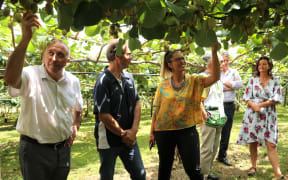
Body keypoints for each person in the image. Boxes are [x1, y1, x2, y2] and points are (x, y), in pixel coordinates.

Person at [4, 12, 83, 180]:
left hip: (62, 151)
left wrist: (75, 126)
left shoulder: (73, 81)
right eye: (50, 53)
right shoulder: (29, 74)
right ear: (43, 55)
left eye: (60, 55)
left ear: (68, 61)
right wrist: (25, 39)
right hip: (34, 152)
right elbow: (10, 78)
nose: (54, 59)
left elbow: (78, 109)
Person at [149, 43, 220, 180]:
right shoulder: (162, 85)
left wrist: (214, 52)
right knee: (164, 168)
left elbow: (215, 77)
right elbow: (157, 110)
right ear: (170, 64)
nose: (183, 61)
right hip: (163, 131)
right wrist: (152, 132)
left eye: (183, 58)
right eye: (178, 59)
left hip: (187, 130)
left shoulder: (194, 80)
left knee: (193, 169)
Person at [93, 39, 146, 180]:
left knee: (139, 174)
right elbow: (103, 115)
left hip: (129, 138)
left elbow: (137, 103)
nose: (131, 57)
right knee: (107, 175)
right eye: (129, 53)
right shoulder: (103, 81)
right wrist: (123, 134)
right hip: (109, 139)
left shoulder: (129, 78)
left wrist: (133, 131)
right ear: (117, 55)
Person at [236, 56, 286, 179]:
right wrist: (254, 106)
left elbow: (277, 98)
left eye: (264, 64)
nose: (261, 67)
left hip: (269, 115)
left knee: (271, 144)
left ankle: (277, 173)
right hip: (253, 114)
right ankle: (253, 166)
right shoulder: (253, 80)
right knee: (252, 141)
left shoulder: (275, 80)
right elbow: (246, 96)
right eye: (259, 64)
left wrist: (261, 104)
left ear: (269, 66)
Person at [199, 54, 226, 180]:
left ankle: (207, 172)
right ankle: (202, 176)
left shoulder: (217, 78)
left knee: (214, 146)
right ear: (211, 62)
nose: (223, 64)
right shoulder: (203, 77)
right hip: (208, 115)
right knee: (207, 148)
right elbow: (196, 98)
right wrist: (203, 113)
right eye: (220, 62)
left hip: (218, 115)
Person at [217, 51, 242, 166]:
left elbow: (239, 84)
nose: (225, 63)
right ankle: (210, 154)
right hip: (217, 105)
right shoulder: (216, 72)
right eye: (223, 60)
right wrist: (231, 86)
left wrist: (226, 84)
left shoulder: (234, 72)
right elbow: (216, 88)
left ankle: (222, 156)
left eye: (227, 60)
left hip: (229, 105)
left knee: (226, 131)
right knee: (215, 130)